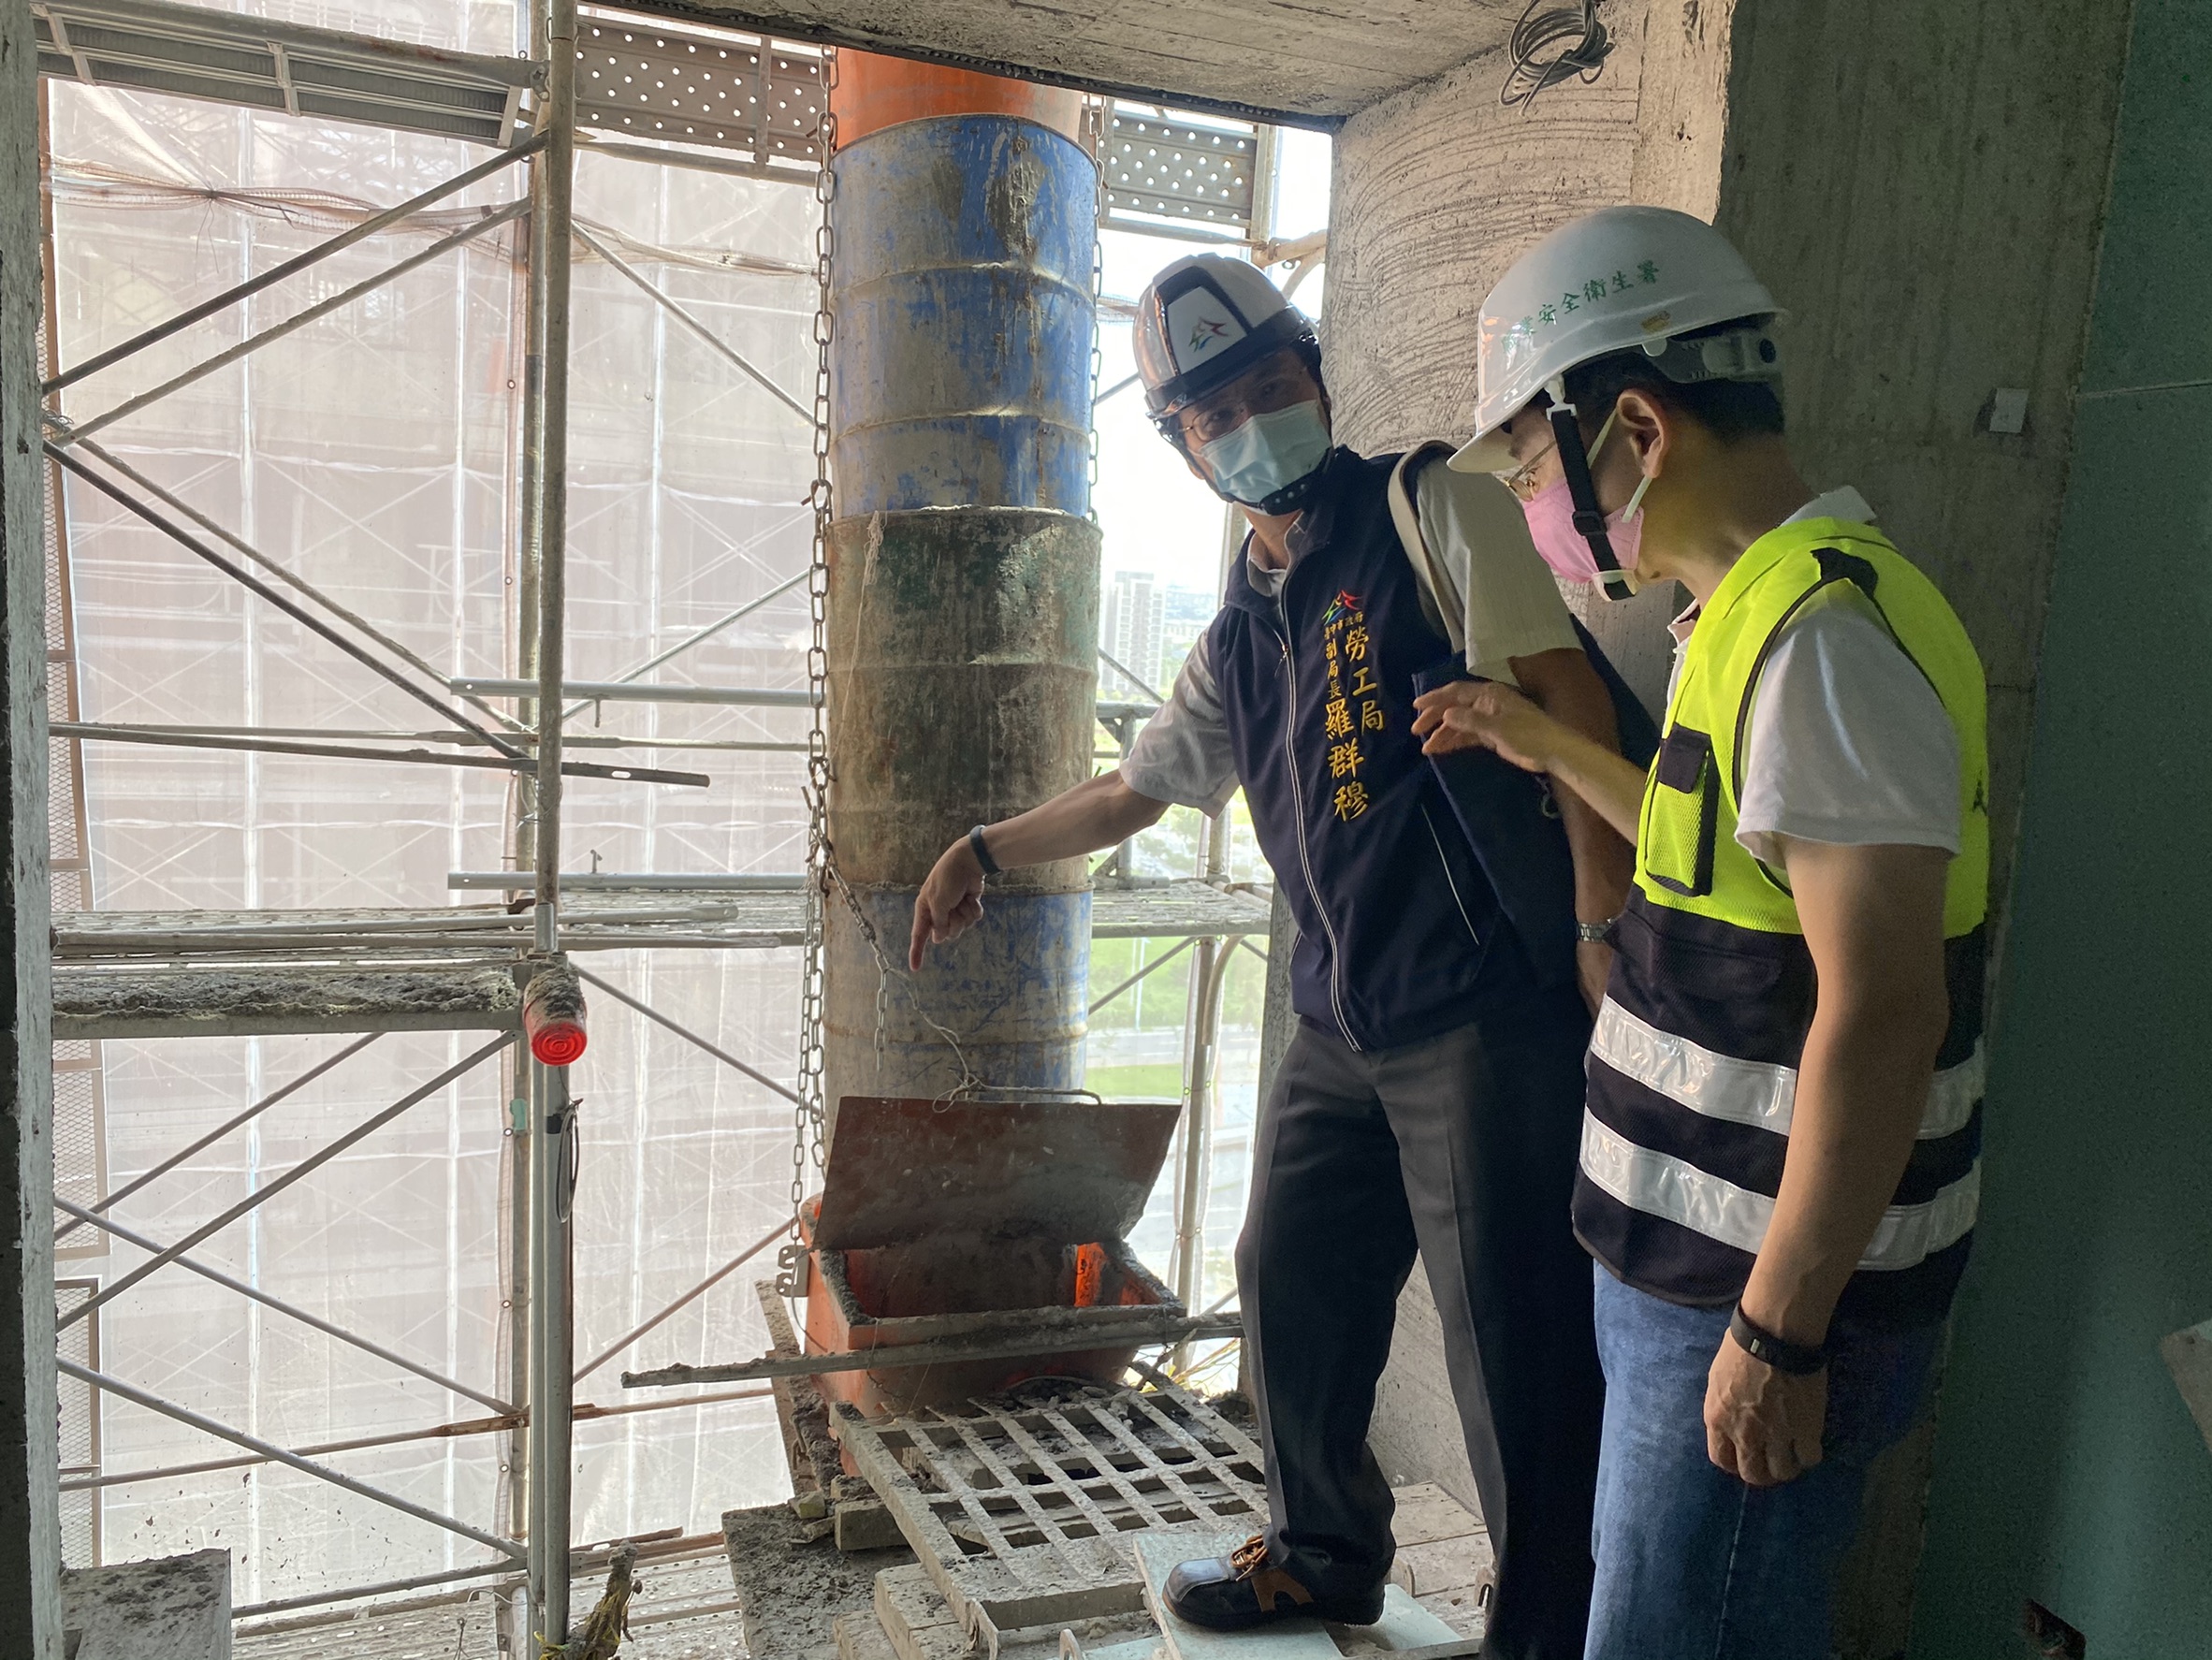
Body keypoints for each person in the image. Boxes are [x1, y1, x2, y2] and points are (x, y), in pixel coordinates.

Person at [910, 255, 1632, 1658]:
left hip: (1481, 1009)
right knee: (1290, 1276)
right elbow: (1135, 791)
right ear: (1184, 447)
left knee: (1512, 1337)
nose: (1250, 424)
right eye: (1214, 414)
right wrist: (985, 848)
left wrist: (1597, 930)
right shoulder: (1240, 628)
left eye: (1269, 386)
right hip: (1339, 1026)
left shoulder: (1434, 506)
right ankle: (1322, 1556)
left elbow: (1568, 702)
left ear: (1314, 374)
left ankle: (1545, 1630)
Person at [1417, 206, 1988, 1660]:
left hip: (1750, 1290)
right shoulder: (1739, 621)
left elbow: (1886, 1010)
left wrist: (1776, 1331)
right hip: (1690, 1267)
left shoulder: (1820, 650)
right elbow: (1718, 845)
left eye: (1531, 469)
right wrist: (1541, 739)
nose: (1532, 508)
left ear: (1636, 430)